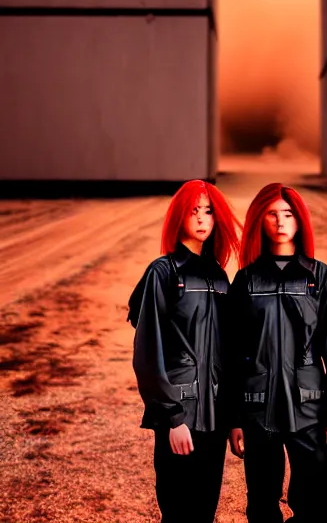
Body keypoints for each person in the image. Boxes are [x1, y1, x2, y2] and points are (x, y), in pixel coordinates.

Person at [227, 182, 327, 523]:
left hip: (309, 409)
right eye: (272, 214)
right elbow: (232, 354)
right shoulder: (247, 281)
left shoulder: (318, 278)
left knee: (313, 506)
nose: (281, 222)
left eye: (288, 214)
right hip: (258, 411)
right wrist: (235, 420)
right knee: (261, 505)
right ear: (260, 221)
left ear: (300, 220)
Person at [132, 179, 241, 523]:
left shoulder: (220, 277)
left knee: (204, 511)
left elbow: (230, 354)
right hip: (181, 415)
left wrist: (235, 420)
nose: (202, 219)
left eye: (208, 211)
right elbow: (149, 353)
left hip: (216, 418)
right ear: (179, 216)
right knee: (178, 512)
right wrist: (172, 418)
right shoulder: (162, 272)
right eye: (194, 211)